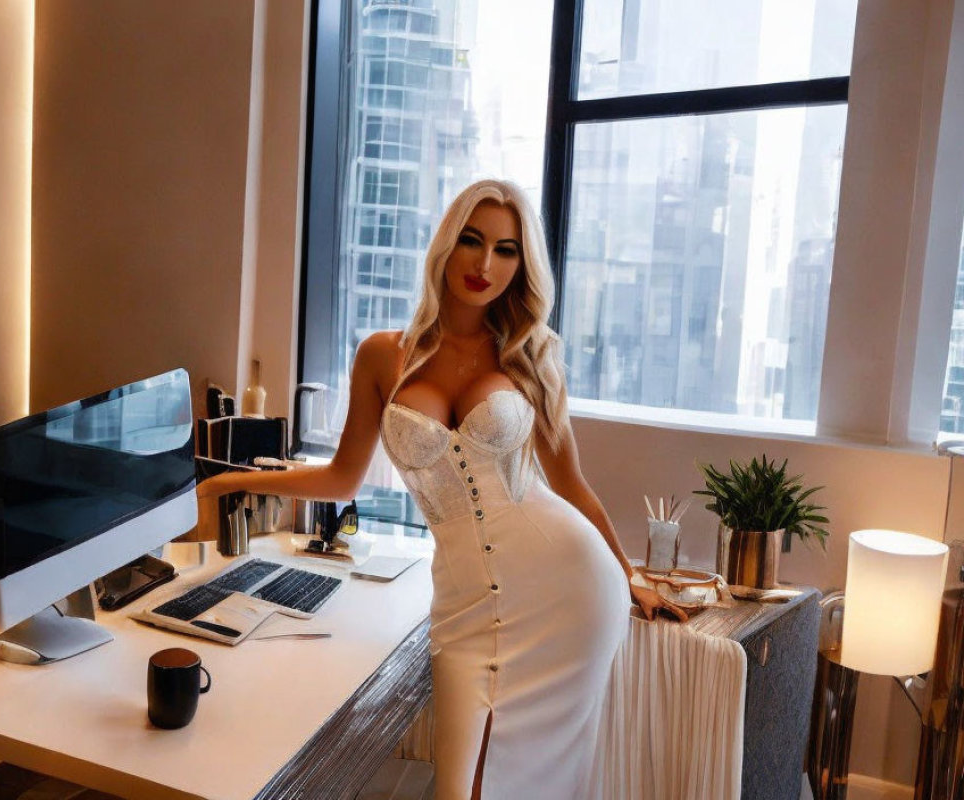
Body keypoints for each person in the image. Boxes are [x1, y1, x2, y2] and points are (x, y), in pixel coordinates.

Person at [198, 179, 678, 799]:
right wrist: (229, 479)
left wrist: (632, 576)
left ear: (522, 265)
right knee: (462, 789)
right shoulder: (380, 356)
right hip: (464, 610)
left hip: (569, 590)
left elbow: (572, 485)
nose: (484, 265)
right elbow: (342, 476)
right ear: (445, 245)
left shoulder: (532, 357)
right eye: (472, 242)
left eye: (506, 250)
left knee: (536, 784)